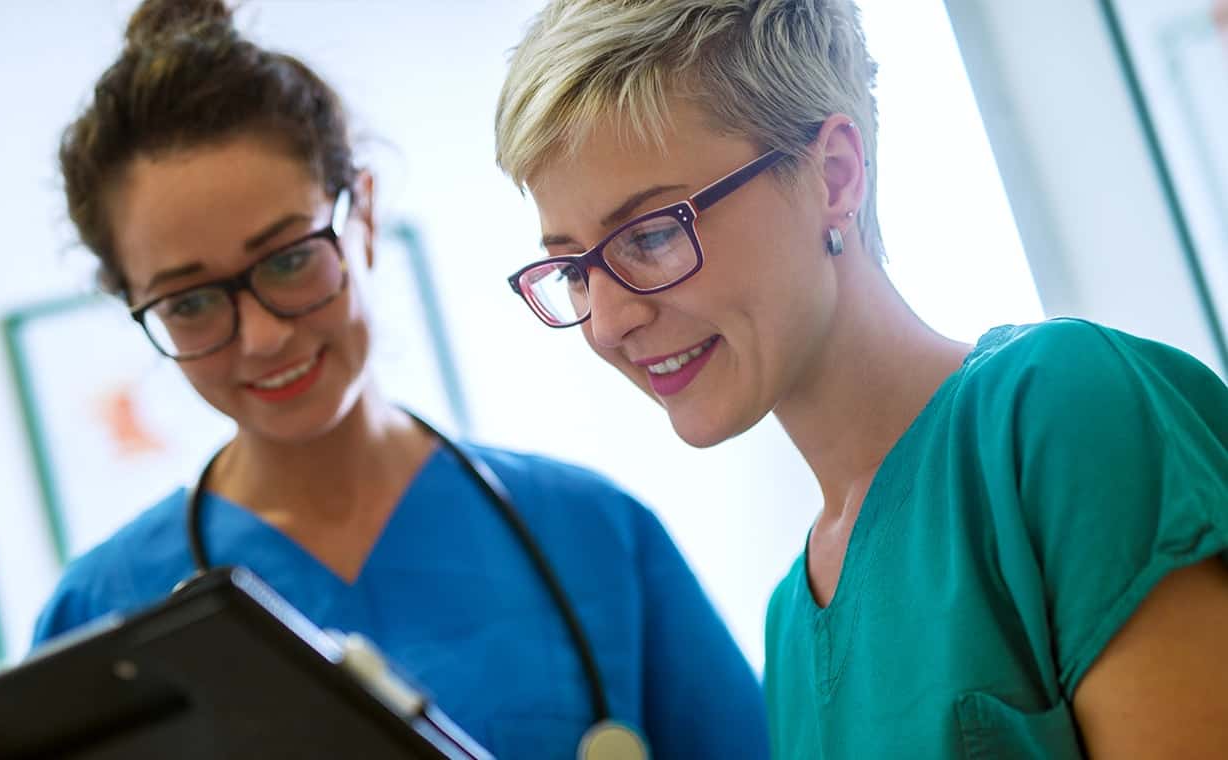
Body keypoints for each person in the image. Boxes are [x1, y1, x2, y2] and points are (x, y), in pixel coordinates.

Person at [30, 1, 770, 757]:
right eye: (189, 303)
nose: (261, 336)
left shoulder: (593, 534)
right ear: (134, 306)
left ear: (367, 217)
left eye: (290, 259)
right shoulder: (101, 614)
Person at [493, 0, 1228, 756]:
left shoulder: (1059, 414)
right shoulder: (792, 619)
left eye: (649, 235)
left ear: (834, 175)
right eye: (576, 270)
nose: (608, 323)